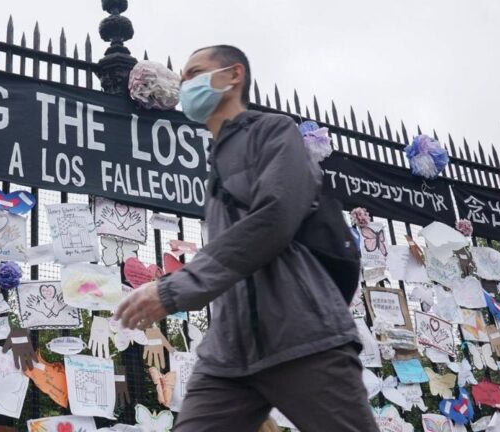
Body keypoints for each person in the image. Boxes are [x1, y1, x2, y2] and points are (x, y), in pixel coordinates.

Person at [114, 45, 378, 431]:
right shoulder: (217, 160)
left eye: (194, 73)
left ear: (232, 76)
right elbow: (235, 255)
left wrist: (174, 290)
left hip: (302, 337)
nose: (184, 83)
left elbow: (273, 219)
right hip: (227, 356)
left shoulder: (274, 131)